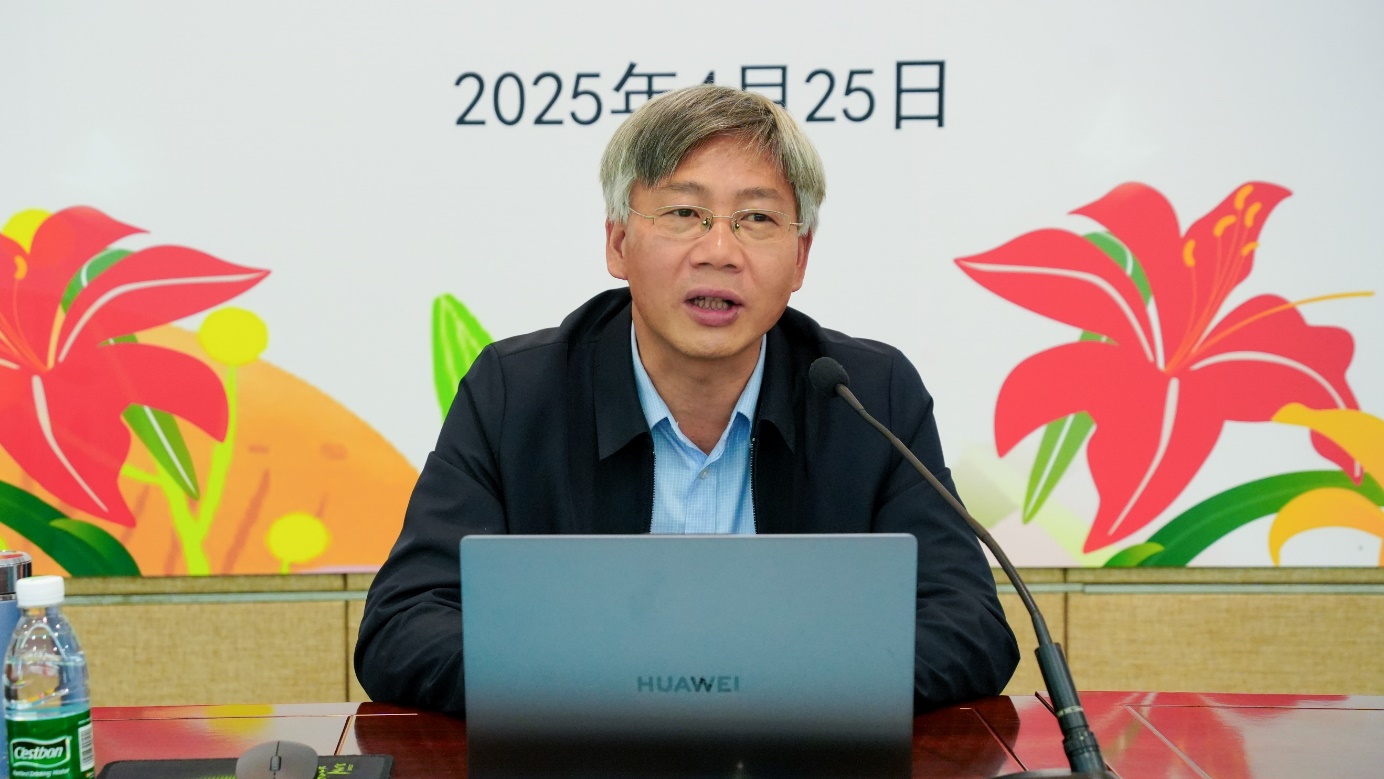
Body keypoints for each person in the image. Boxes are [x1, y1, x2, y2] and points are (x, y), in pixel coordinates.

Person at [355, 84, 1019, 715]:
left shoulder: (868, 394)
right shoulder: (515, 393)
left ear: (799, 258)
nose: (719, 251)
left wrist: (747, 696)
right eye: (683, 214)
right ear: (619, 242)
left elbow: (969, 626)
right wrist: (631, 696)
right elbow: (402, 626)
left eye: (757, 218)